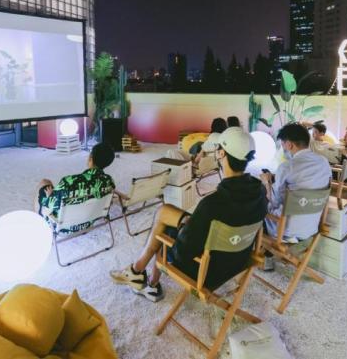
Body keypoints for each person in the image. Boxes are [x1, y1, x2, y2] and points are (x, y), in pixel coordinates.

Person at [110, 127, 267, 302]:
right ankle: (137, 272)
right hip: (237, 261)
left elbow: (182, 253)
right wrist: (190, 221)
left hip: (208, 271)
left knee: (164, 231)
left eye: (217, 149)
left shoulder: (212, 204)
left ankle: (146, 280)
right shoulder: (260, 192)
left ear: (221, 154)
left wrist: (185, 226)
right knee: (164, 211)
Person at [259, 123, 332, 271]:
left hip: (285, 231)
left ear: (289, 145)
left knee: (257, 203)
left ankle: (266, 256)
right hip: (312, 225)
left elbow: (274, 201)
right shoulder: (324, 162)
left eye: (283, 145)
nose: (283, 149)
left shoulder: (286, 167)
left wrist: (267, 183)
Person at [38, 143, 116, 232]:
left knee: (45, 183)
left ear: (91, 159)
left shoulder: (68, 181)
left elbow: (50, 205)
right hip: (88, 223)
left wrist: (50, 196)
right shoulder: (110, 181)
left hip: (63, 228)